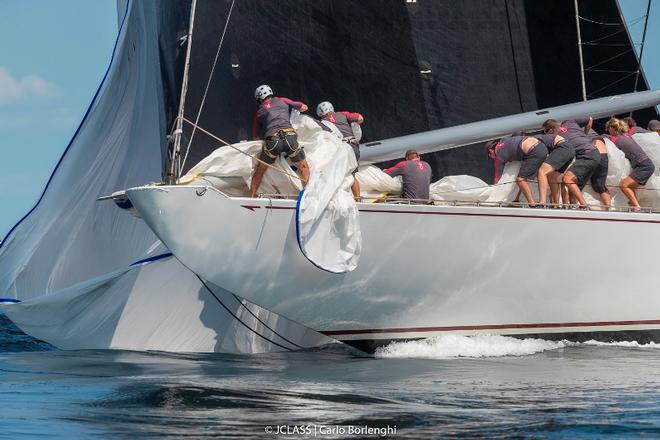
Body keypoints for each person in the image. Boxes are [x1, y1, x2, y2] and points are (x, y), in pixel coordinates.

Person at [249, 85, 310, 198]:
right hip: (290, 138)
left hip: (273, 142)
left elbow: (255, 137)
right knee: (303, 166)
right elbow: (303, 107)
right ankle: (306, 195)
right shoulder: (282, 100)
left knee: (260, 170)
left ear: (259, 99)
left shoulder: (259, 112)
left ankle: (252, 196)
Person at [542, 117, 600, 208]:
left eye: (544, 132)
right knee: (571, 183)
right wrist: (585, 134)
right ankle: (572, 205)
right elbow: (590, 119)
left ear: (550, 131)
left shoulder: (556, 137)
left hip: (587, 155)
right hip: (593, 152)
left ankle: (583, 205)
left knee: (567, 179)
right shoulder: (569, 122)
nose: (545, 134)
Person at [316, 101, 364, 199]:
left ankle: (339, 198)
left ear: (320, 114)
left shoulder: (322, 123)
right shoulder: (343, 114)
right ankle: (358, 199)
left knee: (338, 173)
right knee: (352, 175)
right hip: (354, 147)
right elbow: (359, 118)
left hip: (342, 149)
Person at [606, 117, 655, 211]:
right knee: (629, 187)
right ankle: (634, 207)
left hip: (644, 166)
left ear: (612, 128)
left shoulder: (615, 140)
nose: (608, 131)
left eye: (608, 128)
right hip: (646, 164)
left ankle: (637, 207)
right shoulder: (626, 135)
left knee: (624, 185)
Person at [485, 135, 548, 205]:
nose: (492, 158)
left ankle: (532, 204)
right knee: (524, 177)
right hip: (541, 146)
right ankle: (517, 199)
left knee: (520, 179)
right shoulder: (504, 140)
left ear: (491, 151)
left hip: (534, 152)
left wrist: (495, 191)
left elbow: (497, 177)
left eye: (489, 156)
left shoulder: (499, 155)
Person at [534, 132, 571, 205]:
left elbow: (539, 152)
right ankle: (556, 204)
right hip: (570, 150)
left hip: (562, 148)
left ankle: (542, 202)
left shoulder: (533, 139)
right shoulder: (543, 137)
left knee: (541, 172)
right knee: (552, 177)